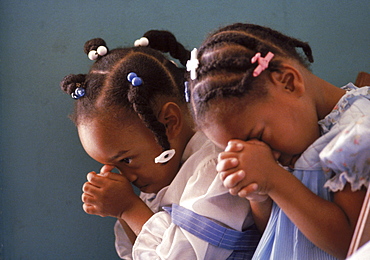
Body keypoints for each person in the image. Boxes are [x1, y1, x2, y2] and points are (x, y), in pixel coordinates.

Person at [60, 30, 260, 260]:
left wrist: (129, 208)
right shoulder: (163, 175)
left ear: (169, 122)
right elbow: (141, 253)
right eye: (114, 166)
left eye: (126, 160)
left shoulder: (216, 167)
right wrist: (122, 212)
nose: (127, 177)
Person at [187, 23, 370, 260]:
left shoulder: (356, 133)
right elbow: (279, 232)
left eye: (258, 137)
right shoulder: (294, 137)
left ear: (288, 82)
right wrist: (259, 195)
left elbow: (354, 245)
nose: (261, 152)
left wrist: (274, 179)